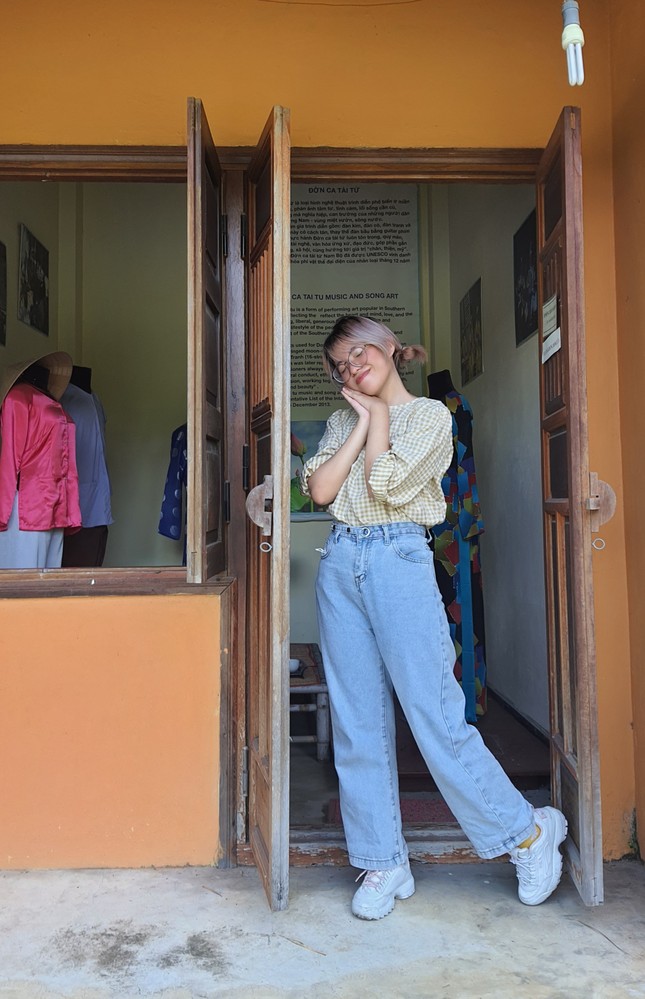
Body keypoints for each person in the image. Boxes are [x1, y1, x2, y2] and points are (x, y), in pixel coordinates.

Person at [300, 315, 567, 921]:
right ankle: (383, 860)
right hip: (340, 562)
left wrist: (379, 418)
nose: (352, 369)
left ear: (388, 347)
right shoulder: (343, 420)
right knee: (357, 722)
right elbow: (320, 491)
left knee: (435, 716)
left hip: (398, 558)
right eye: (340, 366)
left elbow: (388, 484)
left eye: (359, 353)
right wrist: (362, 421)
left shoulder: (429, 417)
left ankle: (527, 833)